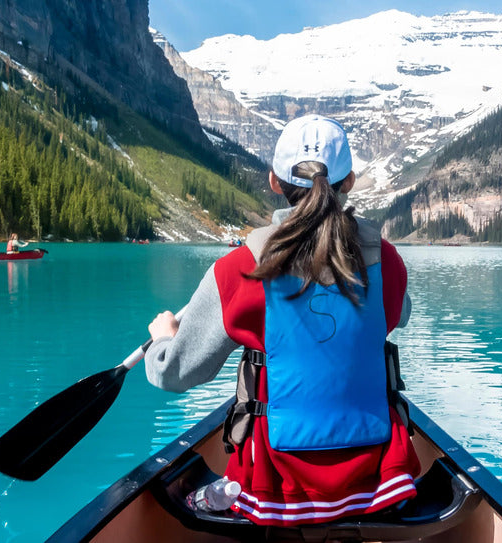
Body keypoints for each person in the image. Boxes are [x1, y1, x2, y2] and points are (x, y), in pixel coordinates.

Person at [145, 115, 418, 526]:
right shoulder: (387, 262)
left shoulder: (242, 267)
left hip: (274, 490)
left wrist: (162, 342)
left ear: (274, 181)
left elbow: (175, 374)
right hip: (380, 484)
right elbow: (401, 312)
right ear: (349, 182)